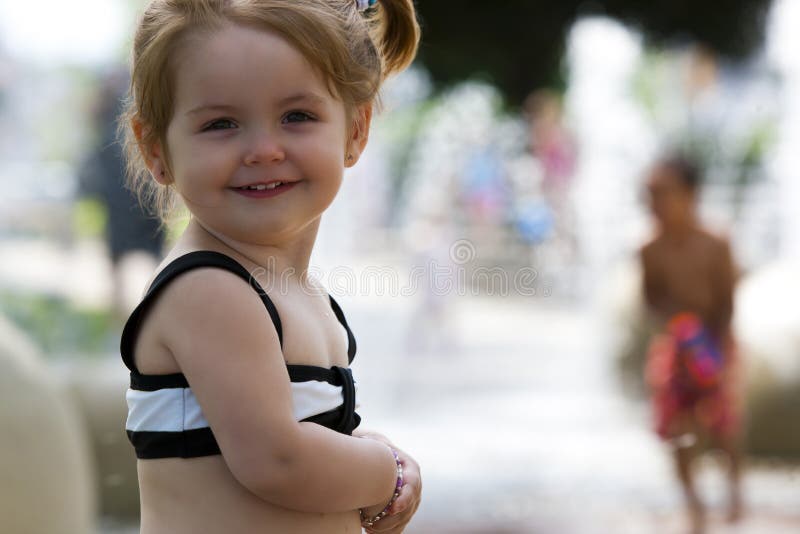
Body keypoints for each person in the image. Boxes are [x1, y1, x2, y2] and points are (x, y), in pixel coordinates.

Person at [117, 1, 422, 532]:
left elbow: (304, 442)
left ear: (355, 130)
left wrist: (365, 449)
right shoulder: (209, 289)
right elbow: (277, 461)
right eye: (221, 123)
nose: (262, 149)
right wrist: (389, 470)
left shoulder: (302, 297)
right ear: (156, 149)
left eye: (296, 117)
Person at [639, 155, 743, 534]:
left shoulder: (716, 244)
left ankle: (733, 493)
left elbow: (729, 300)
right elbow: (650, 298)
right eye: (649, 196)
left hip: (714, 342)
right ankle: (694, 506)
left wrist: (711, 344)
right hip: (674, 345)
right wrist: (677, 328)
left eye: (663, 195)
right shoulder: (649, 248)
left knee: (721, 423)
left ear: (691, 195)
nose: (654, 204)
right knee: (674, 428)